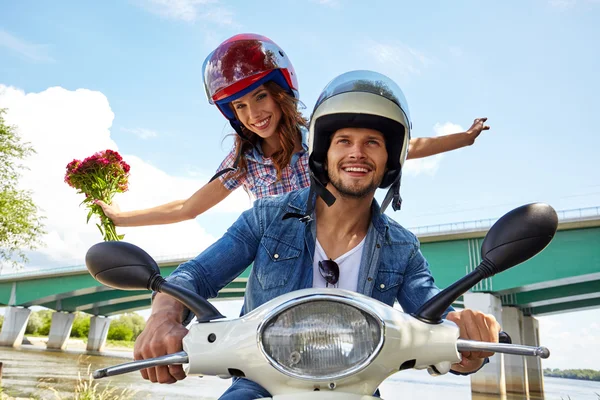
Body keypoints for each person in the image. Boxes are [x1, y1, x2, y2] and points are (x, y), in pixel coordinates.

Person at [133, 70, 501, 399]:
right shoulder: (266, 217)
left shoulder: (402, 248)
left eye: (372, 142)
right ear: (323, 153)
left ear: (392, 159)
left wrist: (465, 339)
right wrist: (164, 315)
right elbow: (195, 275)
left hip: (356, 385)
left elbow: (430, 309)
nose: (357, 153)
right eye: (344, 141)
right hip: (260, 381)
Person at [95, 33, 491, 226]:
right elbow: (188, 207)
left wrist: (464, 138)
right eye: (240, 106)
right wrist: (119, 217)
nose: (254, 114)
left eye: (261, 98)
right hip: (276, 257)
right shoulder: (242, 163)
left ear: (282, 94)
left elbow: (407, 145)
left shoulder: (318, 138)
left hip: (333, 246)